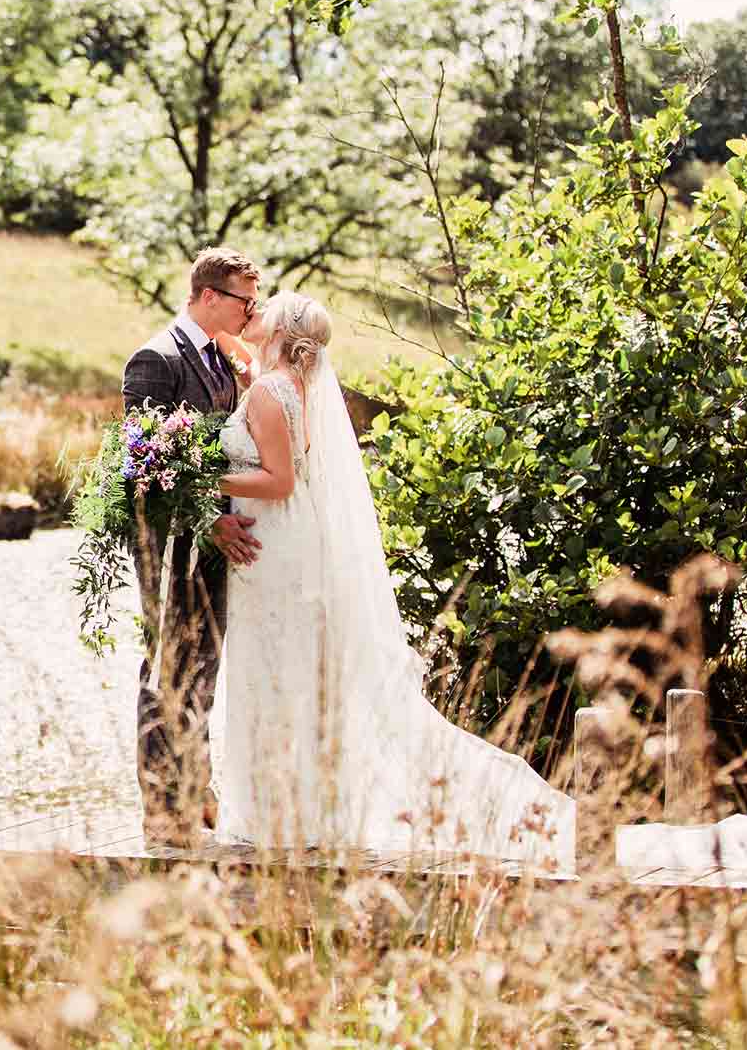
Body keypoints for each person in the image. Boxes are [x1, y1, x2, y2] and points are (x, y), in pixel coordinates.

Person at [208, 291, 575, 867]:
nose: (255, 313)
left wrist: (208, 478)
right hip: (284, 541)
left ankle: (282, 810)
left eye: (265, 310)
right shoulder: (289, 384)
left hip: (271, 542)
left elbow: (278, 481)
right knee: (290, 670)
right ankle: (292, 803)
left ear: (281, 330)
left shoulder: (267, 390)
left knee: (276, 668)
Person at [120, 247, 262, 848]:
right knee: (169, 667)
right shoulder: (155, 360)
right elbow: (144, 469)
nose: (249, 312)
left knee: (203, 670)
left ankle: (194, 792)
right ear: (209, 297)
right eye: (243, 300)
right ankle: (161, 809)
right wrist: (206, 523)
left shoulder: (222, 361)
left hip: (214, 548)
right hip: (173, 546)